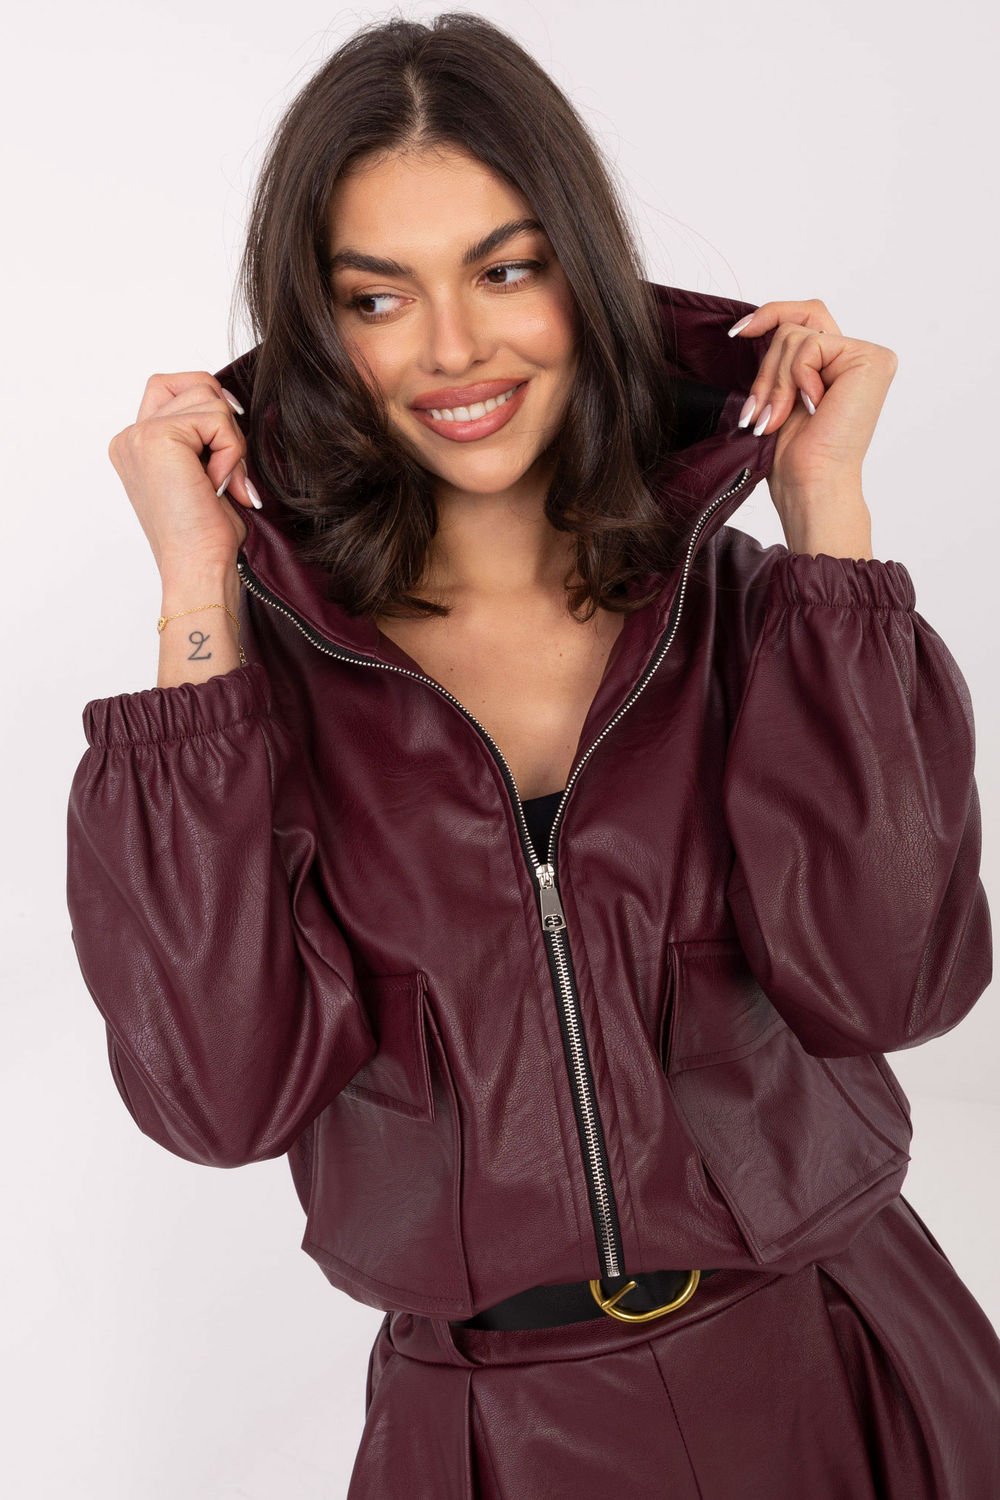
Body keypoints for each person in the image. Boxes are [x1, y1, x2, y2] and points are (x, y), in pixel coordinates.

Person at [65, 12, 1000, 1498]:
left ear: (587, 276)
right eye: (378, 298)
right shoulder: (255, 708)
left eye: (506, 270)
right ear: (316, 334)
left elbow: (896, 986)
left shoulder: (758, 619)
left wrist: (828, 523)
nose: (453, 348)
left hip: (834, 1358)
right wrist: (197, 591)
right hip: (484, 1432)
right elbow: (217, 1100)